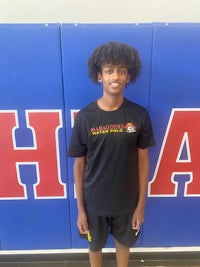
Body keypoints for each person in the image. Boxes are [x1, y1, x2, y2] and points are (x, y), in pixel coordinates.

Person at [67, 41, 155, 267]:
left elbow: (143, 160)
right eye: (109, 71)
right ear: (99, 76)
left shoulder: (139, 115)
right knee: (94, 246)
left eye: (121, 71)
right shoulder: (86, 117)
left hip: (127, 201)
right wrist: (81, 210)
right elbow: (79, 165)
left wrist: (141, 205)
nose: (115, 76)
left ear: (128, 76)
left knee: (123, 244)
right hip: (94, 201)